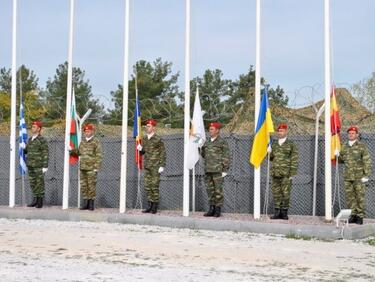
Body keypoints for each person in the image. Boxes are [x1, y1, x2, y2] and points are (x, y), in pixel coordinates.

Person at [336, 126, 372, 225]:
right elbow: (341, 161)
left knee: (360, 197)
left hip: (359, 176)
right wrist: (338, 156)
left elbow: (367, 161)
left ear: (357, 135)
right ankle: (353, 215)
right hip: (348, 176)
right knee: (350, 197)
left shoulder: (361, 146)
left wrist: (366, 175)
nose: (351, 135)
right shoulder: (344, 146)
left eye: (353, 133)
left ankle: (360, 216)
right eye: (349, 133)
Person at [268, 123, 298, 220]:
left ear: (286, 131)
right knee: (276, 193)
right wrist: (269, 152)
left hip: (286, 173)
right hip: (275, 172)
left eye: (282, 131)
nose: (280, 133)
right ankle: (277, 212)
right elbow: (271, 158)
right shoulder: (275, 144)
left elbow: (295, 159)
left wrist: (292, 173)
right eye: (279, 131)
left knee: (285, 193)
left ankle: (284, 212)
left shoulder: (290, 144)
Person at [70, 123, 102, 211]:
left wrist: (96, 167)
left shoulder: (96, 141)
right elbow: (79, 152)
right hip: (83, 167)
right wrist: (71, 150)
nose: (87, 132)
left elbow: (99, 155)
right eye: (86, 131)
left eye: (89, 131)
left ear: (92, 131)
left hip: (91, 168)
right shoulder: (83, 142)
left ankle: (91, 204)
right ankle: (85, 203)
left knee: (91, 186)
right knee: (84, 186)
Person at [200, 122, 230, 218]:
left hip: (218, 170)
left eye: (212, 129)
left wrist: (225, 169)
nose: (210, 131)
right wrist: (199, 149)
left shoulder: (222, 142)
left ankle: (218, 210)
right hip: (208, 169)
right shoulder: (207, 141)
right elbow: (204, 155)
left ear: (217, 130)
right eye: (210, 129)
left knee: (218, 191)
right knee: (210, 190)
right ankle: (211, 209)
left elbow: (226, 156)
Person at [137, 119, 166, 214]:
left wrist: (162, 165)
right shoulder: (144, 138)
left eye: (148, 126)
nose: (146, 128)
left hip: (155, 166)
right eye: (146, 126)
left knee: (154, 186)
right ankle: (149, 205)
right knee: (147, 186)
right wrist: (141, 149)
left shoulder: (158, 139)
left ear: (153, 128)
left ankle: (155, 206)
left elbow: (163, 153)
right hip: (147, 165)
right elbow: (144, 152)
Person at [23, 121, 49, 208]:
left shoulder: (42, 140)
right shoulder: (30, 140)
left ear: (39, 129)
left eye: (34, 127)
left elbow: (45, 153)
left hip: (39, 165)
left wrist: (45, 166)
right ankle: (35, 200)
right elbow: (26, 151)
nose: (32, 128)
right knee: (33, 183)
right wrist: (23, 148)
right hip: (30, 165)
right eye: (32, 126)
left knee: (39, 183)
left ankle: (40, 201)